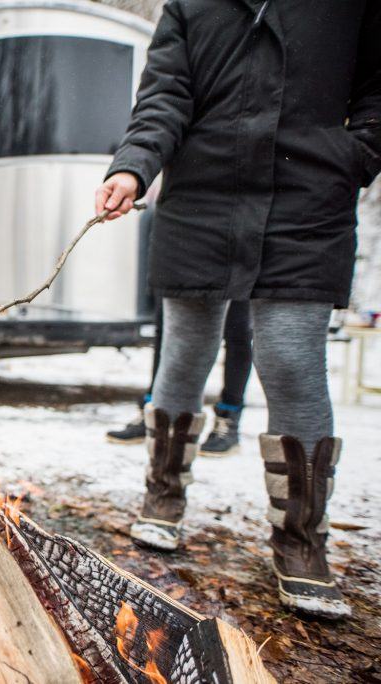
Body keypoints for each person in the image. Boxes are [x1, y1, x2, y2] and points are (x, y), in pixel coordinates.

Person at [95, 1, 380, 619]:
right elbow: (165, 94)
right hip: (202, 194)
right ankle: (163, 494)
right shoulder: (191, 3)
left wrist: (355, 156)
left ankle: (301, 541)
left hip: (307, 195)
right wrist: (135, 165)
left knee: (291, 360)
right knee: (185, 354)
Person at [107, 298, 252, 457]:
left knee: (238, 330)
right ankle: (155, 413)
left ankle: (228, 421)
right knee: (165, 327)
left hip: (240, 276)